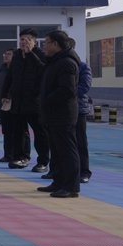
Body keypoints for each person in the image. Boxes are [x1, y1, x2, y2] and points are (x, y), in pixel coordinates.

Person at [36, 31, 80, 198]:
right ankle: (59, 182)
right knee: (57, 151)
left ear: (55, 44)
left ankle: (71, 187)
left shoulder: (67, 63)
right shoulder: (55, 61)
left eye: (46, 43)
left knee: (67, 151)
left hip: (63, 114)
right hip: (52, 114)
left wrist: (46, 101)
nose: (44, 46)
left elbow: (67, 90)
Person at [1, 28, 48, 172]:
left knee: (40, 132)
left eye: (27, 40)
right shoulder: (16, 56)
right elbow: (10, 76)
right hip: (17, 100)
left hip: (34, 100)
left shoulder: (41, 55)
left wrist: (29, 53)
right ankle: (20, 157)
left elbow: (43, 74)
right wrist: (4, 93)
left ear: (35, 42)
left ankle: (43, 161)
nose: (24, 42)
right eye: (22, 39)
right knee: (18, 132)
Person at [0, 48, 30, 164]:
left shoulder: (19, 69)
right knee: (7, 130)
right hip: (4, 104)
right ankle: (8, 154)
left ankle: (24, 155)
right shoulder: (2, 69)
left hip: (17, 104)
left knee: (21, 131)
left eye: (9, 54)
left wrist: (10, 96)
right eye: (5, 54)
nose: (6, 56)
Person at [69, 38, 92, 184]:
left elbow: (85, 86)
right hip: (61, 110)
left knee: (80, 141)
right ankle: (61, 171)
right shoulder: (56, 65)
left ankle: (84, 171)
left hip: (78, 109)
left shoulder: (83, 66)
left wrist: (67, 97)